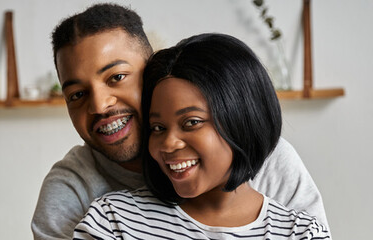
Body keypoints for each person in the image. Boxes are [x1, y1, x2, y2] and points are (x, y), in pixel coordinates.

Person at [32, 3, 328, 239]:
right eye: (77, 94)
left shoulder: (272, 164)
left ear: (153, 72)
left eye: (117, 77)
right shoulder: (84, 199)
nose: (99, 105)